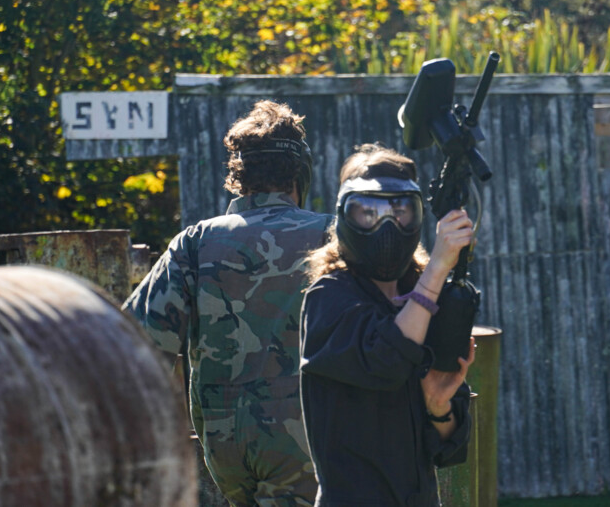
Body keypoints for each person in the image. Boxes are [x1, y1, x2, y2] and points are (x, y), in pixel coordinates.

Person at [124, 100, 330, 506]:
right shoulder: (330, 236)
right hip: (306, 437)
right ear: (299, 173)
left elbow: (136, 346)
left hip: (225, 446)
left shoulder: (195, 241)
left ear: (238, 177)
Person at [299, 143, 475, 506]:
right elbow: (387, 359)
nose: (387, 225)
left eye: (400, 212)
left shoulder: (425, 297)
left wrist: (438, 406)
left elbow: (450, 449)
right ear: (344, 217)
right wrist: (437, 270)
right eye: (368, 212)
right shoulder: (328, 298)